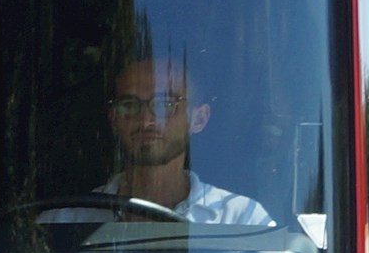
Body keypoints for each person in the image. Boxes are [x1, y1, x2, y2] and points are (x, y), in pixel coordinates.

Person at [100, 55, 276, 227]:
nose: (146, 121)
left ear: (199, 119)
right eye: (130, 105)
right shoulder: (77, 217)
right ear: (114, 119)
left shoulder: (242, 218)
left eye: (165, 104)